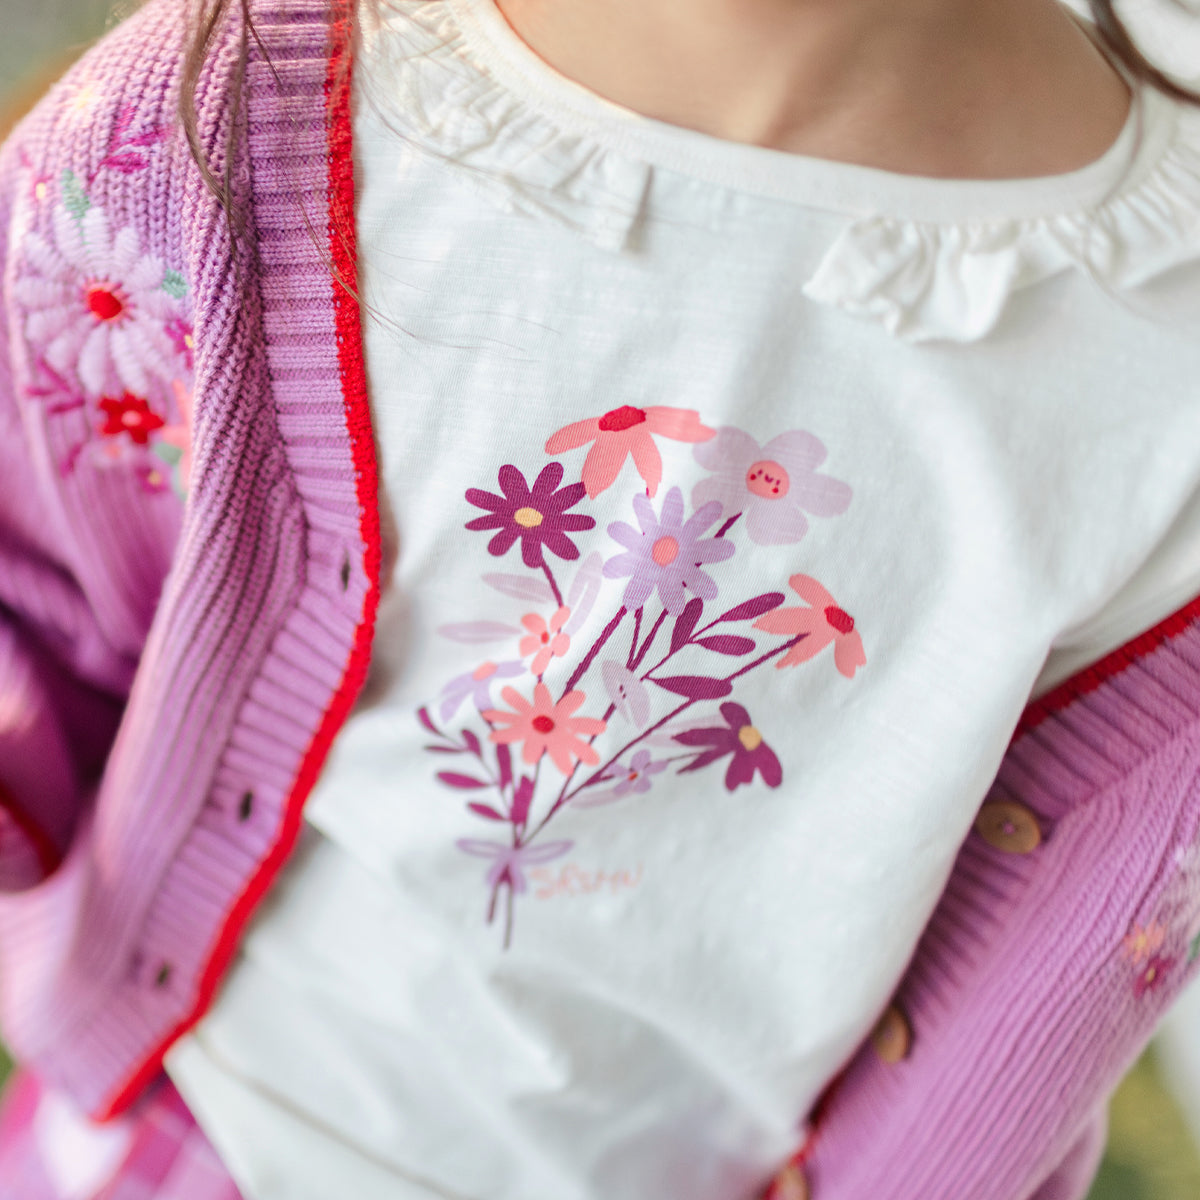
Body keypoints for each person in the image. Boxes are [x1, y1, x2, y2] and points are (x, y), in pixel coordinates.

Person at [3, 0, 1200, 1196]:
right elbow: (30, 582)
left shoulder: (1162, 346)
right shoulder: (207, 130)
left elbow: (1056, 969)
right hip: (184, 1135)